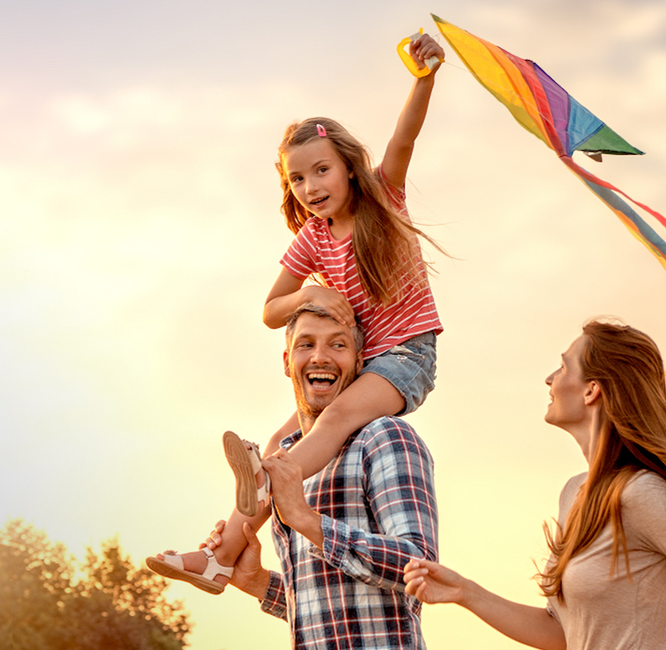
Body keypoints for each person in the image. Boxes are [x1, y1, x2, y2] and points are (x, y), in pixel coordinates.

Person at [146, 30, 451, 596]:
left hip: (406, 356)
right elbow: (270, 308)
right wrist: (308, 296)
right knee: (280, 442)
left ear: (349, 169)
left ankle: (269, 479)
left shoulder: (383, 198)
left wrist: (423, 78)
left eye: (321, 171)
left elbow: (404, 140)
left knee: (328, 426)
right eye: (297, 178)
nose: (310, 187)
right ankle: (219, 559)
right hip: (363, 365)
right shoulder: (313, 238)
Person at [403, 319, 666, 650]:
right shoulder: (575, 493)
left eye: (564, 366)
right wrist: (465, 592)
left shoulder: (642, 493)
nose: (550, 379)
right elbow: (563, 634)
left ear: (591, 390)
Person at [195, 303, 440, 648]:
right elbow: (330, 611)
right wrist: (256, 582)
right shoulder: (289, 455)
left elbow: (422, 568)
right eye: (306, 345)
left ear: (359, 362)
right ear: (286, 362)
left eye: (337, 345)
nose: (320, 357)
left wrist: (306, 520)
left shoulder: (386, 437)